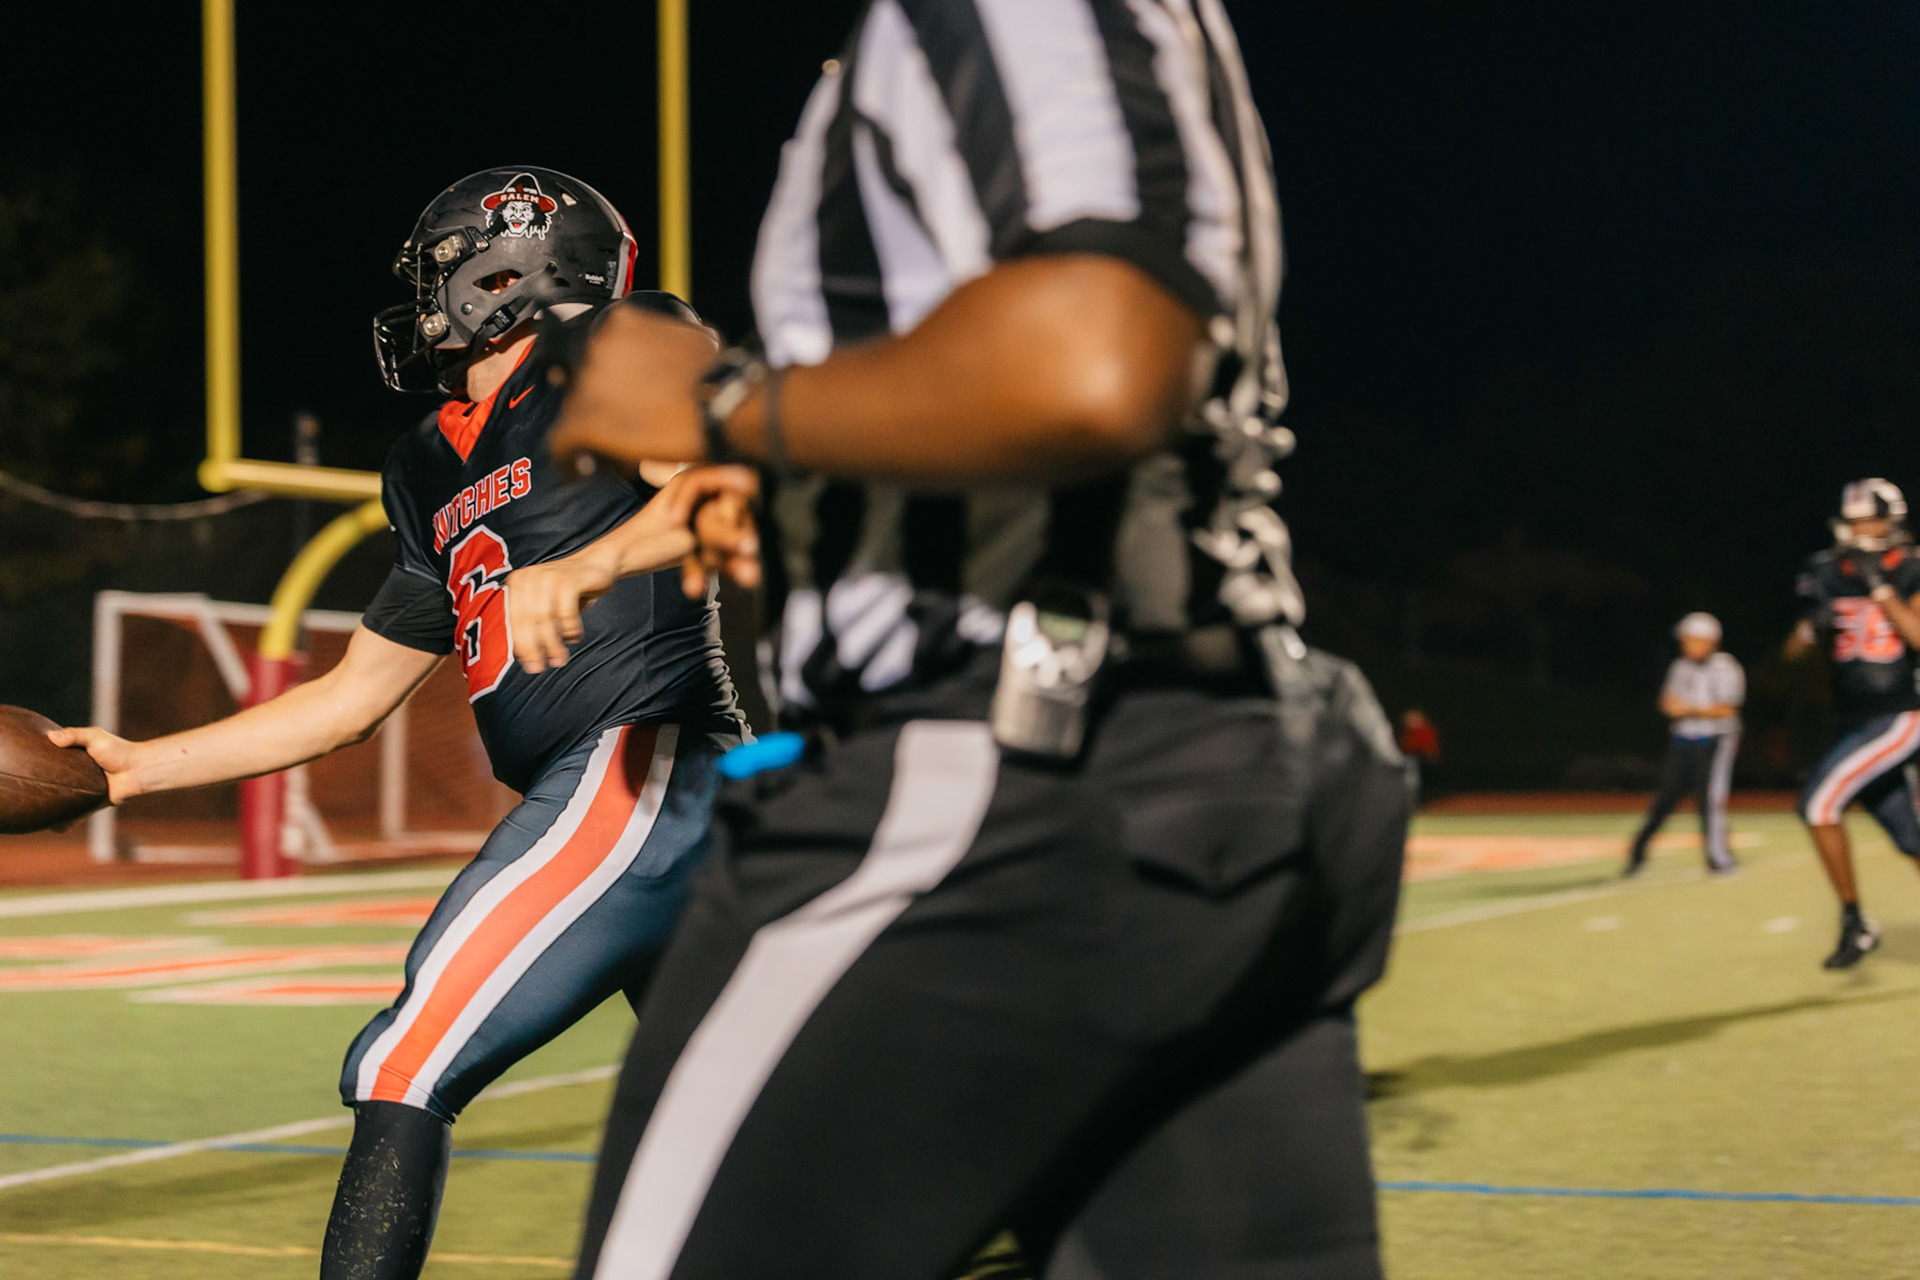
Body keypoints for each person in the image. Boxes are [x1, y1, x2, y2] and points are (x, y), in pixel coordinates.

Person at [526, 5, 1411, 1277]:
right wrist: (807, 487)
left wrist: (723, 404)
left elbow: (1097, 358)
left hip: (1020, 772)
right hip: (1180, 759)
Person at [49, 167, 754, 1280]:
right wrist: (135, 768)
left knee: (407, 1063)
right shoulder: (432, 461)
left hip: (644, 762)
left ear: (508, 270)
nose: (425, 298)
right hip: (634, 796)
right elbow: (349, 699)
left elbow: (726, 481)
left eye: (440, 270)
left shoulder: (611, 346)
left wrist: (593, 561)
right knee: (751, 1112)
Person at [1785, 478, 1920, 969]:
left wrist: (1879, 587)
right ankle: (1857, 926)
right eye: (1856, 520)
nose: (1863, 529)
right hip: (1853, 719)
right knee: (1911, 839)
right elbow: (1793, 653)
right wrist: (1810, 629)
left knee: (1818, 804)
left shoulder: (1911, 567)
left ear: (1892, 521)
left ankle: (1854, 922)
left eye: (1872, 520)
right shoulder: (1826, 570)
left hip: (1902, 712)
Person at [1624, 612, 1743, 877]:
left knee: (1709, 799)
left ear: (1709, 640)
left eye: (1691, 639)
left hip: (1714, 741)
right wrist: (1695, 710)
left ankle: (1719, 858)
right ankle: (1637, 856)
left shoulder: (1725, 667)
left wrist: (1689, 709)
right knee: (1664, 799)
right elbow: (1667, 704)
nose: (1686, 644)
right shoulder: (1680, 666)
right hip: (1682, 741)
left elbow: (1726, 709)